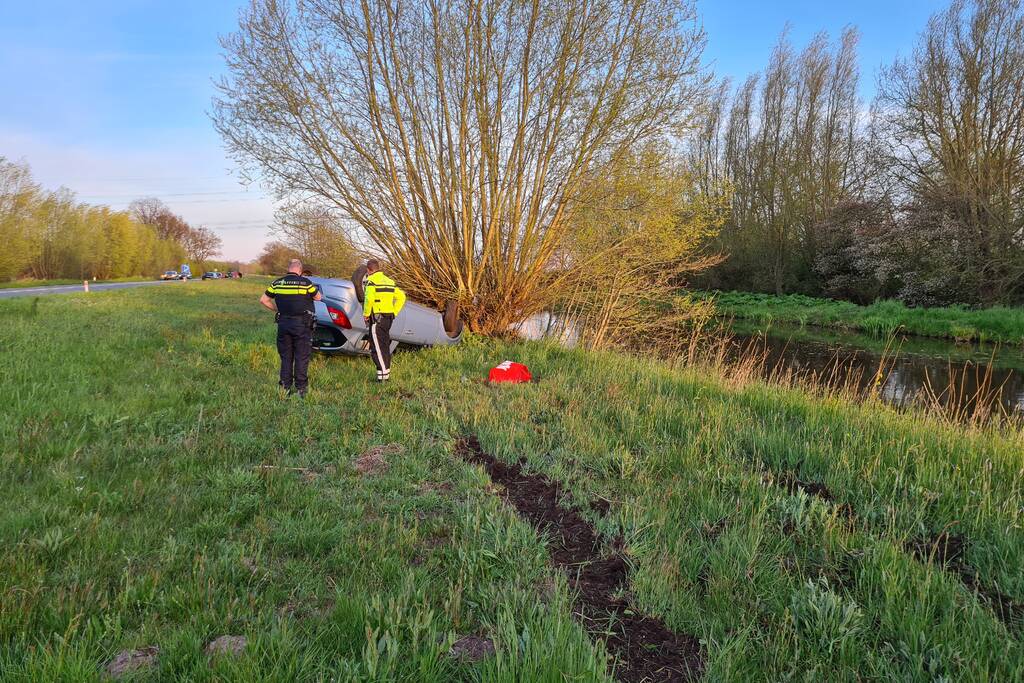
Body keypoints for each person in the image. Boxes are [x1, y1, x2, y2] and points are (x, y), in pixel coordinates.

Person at [260, 259, 322, 397]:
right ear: (300, 271)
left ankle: (284, 388)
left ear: (288, 269)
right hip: (302, 325)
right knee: (301, 356)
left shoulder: (277, 283)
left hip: (284, 324)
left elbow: (263, 300)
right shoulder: (306, 282)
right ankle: (301, 389)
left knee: (286, 357)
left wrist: (277, 309)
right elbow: (318, 297)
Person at [362, 259, 406, 382]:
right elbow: (401, 297)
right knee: (384, 345)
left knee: (376, 348)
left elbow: (369, 300)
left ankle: (382, 379)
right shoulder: (390, 281)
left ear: (368, 270)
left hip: (377, 319)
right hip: (388, 318)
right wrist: (394, 311)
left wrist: (366, 314)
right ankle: (384, 374)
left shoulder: (371, 282)